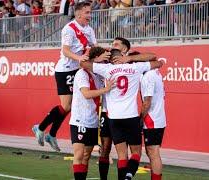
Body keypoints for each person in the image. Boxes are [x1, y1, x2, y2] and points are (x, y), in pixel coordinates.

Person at [80, 49, 163, 180]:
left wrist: (98, 58)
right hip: (131, 116)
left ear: (110, 59)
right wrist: (129, 60)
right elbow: (157, 62)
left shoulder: (106, 69)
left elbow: (83, 64)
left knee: (122, 155)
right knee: (136, 153)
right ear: (122, 56)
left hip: (114, 118)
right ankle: (128, 176)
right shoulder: (135, 67)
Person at [32, 2, 100, 152]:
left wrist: (101, 55)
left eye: (90, 12)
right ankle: (41, 127)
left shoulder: (89, 29)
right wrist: (80, 58)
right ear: (79, 14)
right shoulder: (69, 29)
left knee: (70, 107)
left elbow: (95, 47)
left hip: (79, 69)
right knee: (66, 106)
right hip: (66, 69)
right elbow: (66, 51)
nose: (90, 15)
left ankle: (51, 134)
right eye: (87, 12)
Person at [98, 37, 156, 180]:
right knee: (105, 148)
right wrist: (99, 57)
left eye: (116, 44)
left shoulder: (130, 64)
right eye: (112, 44)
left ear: (124, 49)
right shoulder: (106, 59)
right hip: (107, 112)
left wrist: (128, 58)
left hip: (118, 114)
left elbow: (153, 57)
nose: (112, 46)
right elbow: (86, 62)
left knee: (123, 152)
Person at [70, 46, 114, 180]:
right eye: (102, 60)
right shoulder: (82, 73)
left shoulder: (98, 76)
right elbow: (86, 94)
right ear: (95, 59)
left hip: (93, 121)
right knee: (79, 155)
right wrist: (106, 90)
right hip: (79, 120)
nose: (104, 64)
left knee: (86, 156)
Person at [140, 69, 166, 180]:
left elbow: (147, 101)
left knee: (153, 152)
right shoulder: (156, 73)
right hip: (158, 118)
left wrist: (140, 119)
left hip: (152, 120)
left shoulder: (148, 76)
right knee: (151, 152)